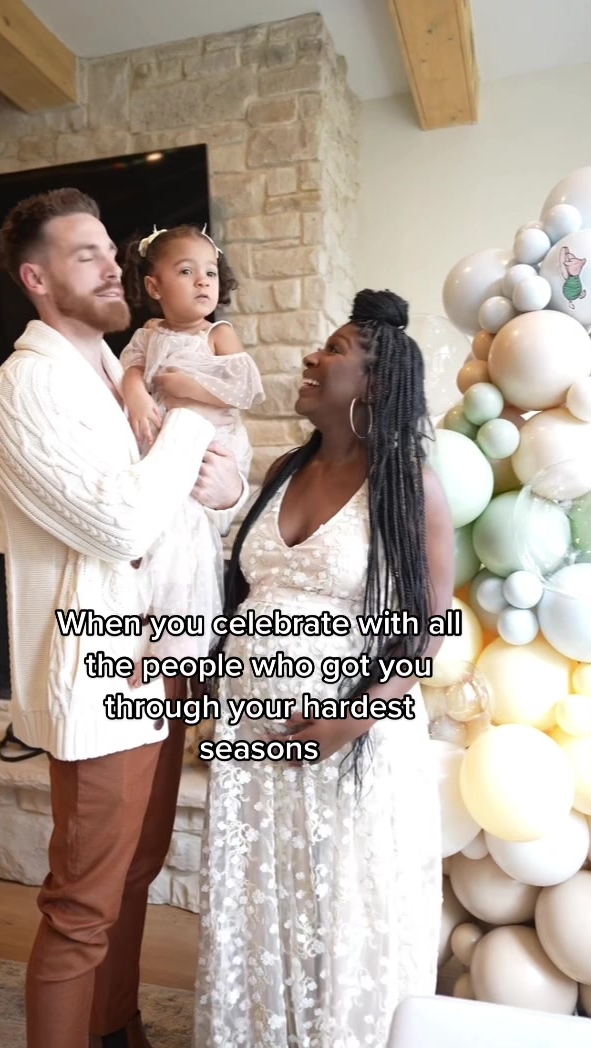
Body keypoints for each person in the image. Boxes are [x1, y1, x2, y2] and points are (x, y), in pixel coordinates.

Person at [0, 188, 247, 1048]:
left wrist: (226, 489)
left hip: (162, 660)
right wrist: (196, 412)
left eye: (110, 248)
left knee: (137, 871)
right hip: (102, 677)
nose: (112, 266)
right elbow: (121, 523)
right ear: (37, 279)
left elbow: (187, 495)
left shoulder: (118, 367)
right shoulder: (23, 387)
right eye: (85, 254)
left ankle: (118, 1027)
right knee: (83, 901)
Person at [194, 289, 455, 1047]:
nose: (312, 356)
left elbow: (429, 627)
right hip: (253, 746)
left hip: (348, 747)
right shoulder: (283, 468)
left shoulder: (408, 485)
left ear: (375, 382)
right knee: (261, 906)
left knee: (339, 914)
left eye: (333, 349)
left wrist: (352, 719)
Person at [119, 223, 264, 669]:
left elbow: (244, 389)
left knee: (187, 548)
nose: (203, 281)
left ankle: (179, 647)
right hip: (160, 446)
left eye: (210, 273)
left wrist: (188, 386)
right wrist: (137, 393)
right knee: (156, 543)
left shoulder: (217, 334)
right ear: (154, 286)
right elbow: (130, 370)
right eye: (186, 271)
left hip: (207, 445)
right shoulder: (148, 334)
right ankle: (146, 635)